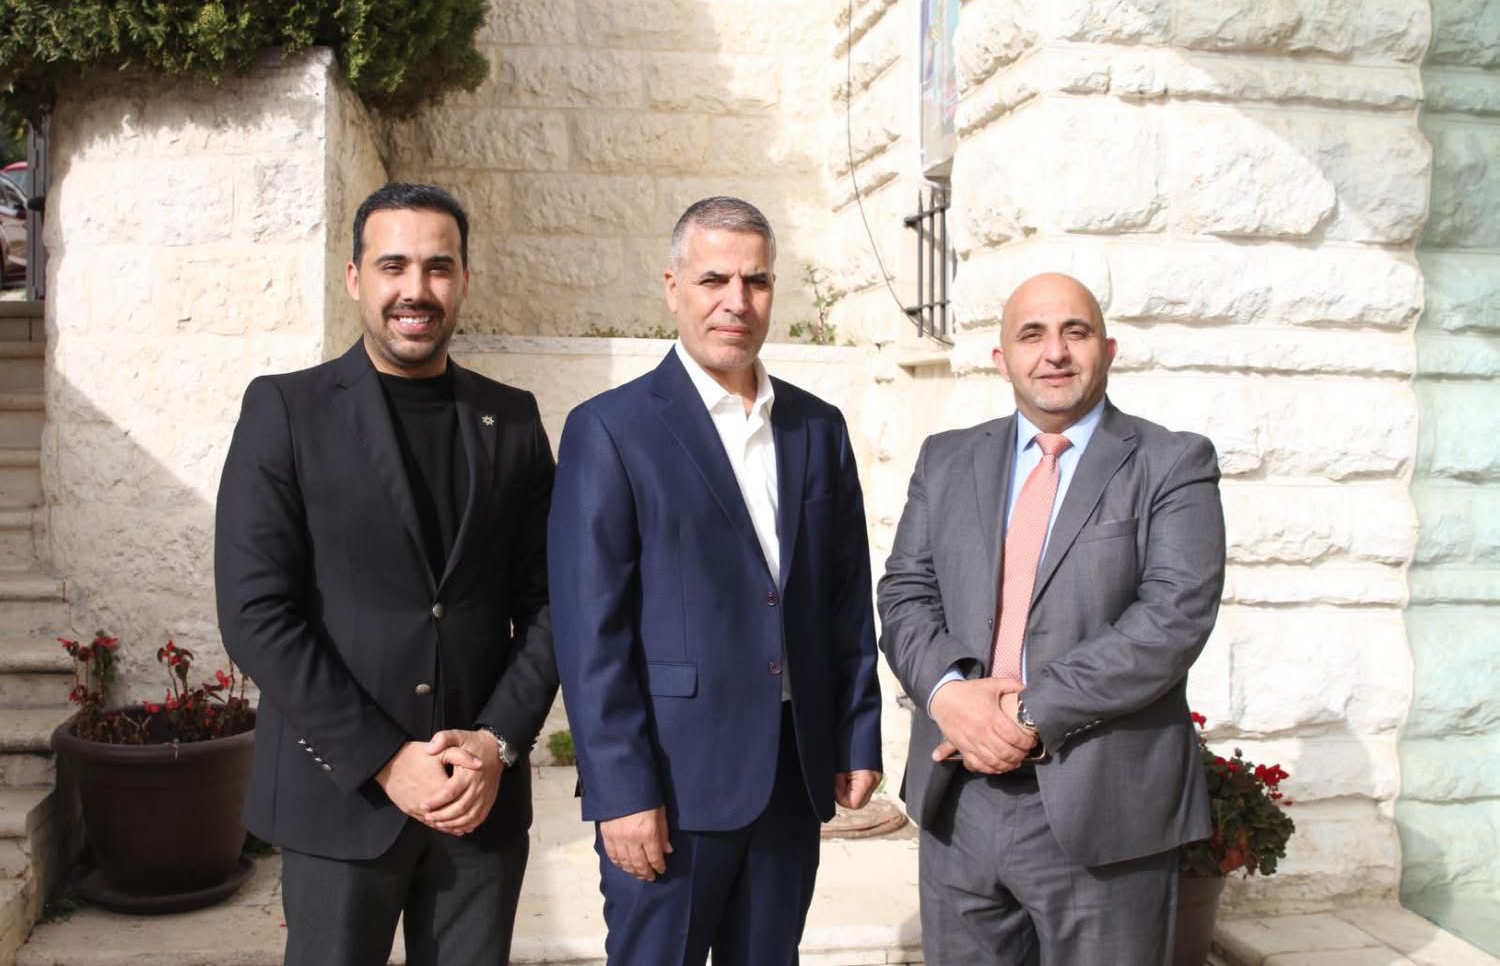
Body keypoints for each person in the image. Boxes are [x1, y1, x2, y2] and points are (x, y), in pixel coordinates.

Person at [215, 182, 556, 965]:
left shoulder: (512, 418)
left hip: (478, 803)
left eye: (438, 267)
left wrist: (496, 743)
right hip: (340, 800)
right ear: (355, 278)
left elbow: (551, 603)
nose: (416, 289)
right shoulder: (285, 411)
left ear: (464, 279)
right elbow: (256, 611)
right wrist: (383, 757)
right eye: (393, 265)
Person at [547, 196, 884, 965]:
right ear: (673, 287)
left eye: (756, 281)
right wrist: (621, 790)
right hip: (670, 786)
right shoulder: (610, 429)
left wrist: (856, 731)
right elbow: (591, 634)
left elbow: (843, 597)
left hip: (790, 779)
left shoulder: (817, 426)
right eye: (714, 280)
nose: (737, 300)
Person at [877, 272, 1226, 965]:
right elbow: (905, 593)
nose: (1055, 352)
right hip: (960, 799)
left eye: (1076, 331)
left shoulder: (1172, 462)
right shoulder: (946, 459)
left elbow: (1171, 618)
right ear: (1001, 358)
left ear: (1109, 349)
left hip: (1104, 804)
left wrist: (1024, 715)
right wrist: (949, 696)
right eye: (1031, 334)